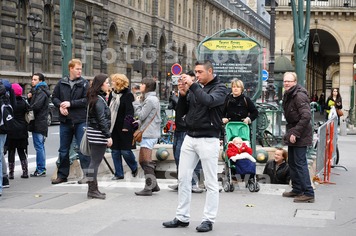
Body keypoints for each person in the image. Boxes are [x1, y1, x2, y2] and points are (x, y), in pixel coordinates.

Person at [163, 60, 228, 232]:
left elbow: (208, 101)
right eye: (196, 72)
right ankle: (182, 217)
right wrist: (183, 95)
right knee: (183, 178)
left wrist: (192, 86)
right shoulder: (195, 88)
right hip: (190, 137)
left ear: (210, 71)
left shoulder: (220, 88)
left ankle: (208, 219)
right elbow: (181, 114)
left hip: (208, 138)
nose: (197, 75)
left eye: (200, 72)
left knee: (210, 181)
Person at [52, 59, 90, 184]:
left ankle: (87, 175)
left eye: (80, 69)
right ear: (70, 69)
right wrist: (60, 106)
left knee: (82, 149)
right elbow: (54, 97)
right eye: (77, 69)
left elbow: (87, 100)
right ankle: (62, 175)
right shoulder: (61, 82)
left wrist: (70, 104)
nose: (79, 71)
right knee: (63, 150)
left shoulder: (84, 83)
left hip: (80, 120)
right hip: (65, 121)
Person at [168, 71, 203, 194]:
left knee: (186, 158)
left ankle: (193, 183)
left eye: (184, 81)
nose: (181, 83)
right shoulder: (183, 94)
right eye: (180, 81)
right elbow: (180, 110)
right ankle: (182, 181)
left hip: (186, 130)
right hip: (178, 129)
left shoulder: (194, 94)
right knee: (178, 157)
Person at [281, 72, 315, 203]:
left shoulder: (298, 95)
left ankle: (308, 192)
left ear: (295, 82)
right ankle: (297, 189)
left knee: (300, 164)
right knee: (293, 162)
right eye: (285, 81)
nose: (286, 83)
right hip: (294, 131)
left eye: (289, 81)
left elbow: (306, 116)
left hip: (300, 133)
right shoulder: (289, 94)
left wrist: (295, 133)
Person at [133, 77, 161, 196]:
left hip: (149, 133)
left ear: (147, 86)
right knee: (143, 160)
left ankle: (149, 187)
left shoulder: (150, 100)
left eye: (142, 84)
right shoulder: (151, 98)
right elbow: (148, 117)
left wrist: (136, 103)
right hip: (149, 132)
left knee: (145, 160)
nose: (140, 86)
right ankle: (153, 185)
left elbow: (141, 115)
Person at [86, 74, 112, 199]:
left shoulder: (95, 98)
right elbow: (101, 119)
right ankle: (92, 189)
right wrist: (108, 136)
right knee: (94, 163)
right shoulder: (99, 100)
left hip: (94, 132)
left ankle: (93, 189)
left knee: (93, 162)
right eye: (107, 82)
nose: (109, 85)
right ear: (101, 85)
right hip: (98, 133)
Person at [108, 74, 138, 180]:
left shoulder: (128, 95)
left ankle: (134, 167)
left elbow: (130, 112)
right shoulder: (112, 94)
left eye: (113, 81)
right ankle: (119, 173)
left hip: (125, 128)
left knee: (126, 151)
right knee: (115, 151)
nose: (112, 83)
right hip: (113, 127)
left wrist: (126, 125)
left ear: (119, 82)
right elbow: (109, 110)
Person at [27, 73, 50, 177]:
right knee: (40, 146)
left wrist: (29, 106)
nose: (32, 81)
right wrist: (30, 98)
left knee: (39, 146)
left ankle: (40, 169)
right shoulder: (38, 90)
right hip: (40, 122)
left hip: (39, 122)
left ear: (40, 81)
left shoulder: (40, 91)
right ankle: (41, 168)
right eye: (32, 79)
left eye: (35, 79)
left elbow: (36, 106)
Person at [6, 83, 29, 179]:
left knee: (11, 151)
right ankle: (25, 171)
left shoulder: (10, 103)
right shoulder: (24, 102)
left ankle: (11, 172)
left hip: (12, 129)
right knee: (21, 151)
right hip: (22, 129)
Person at [0, 79, 16, 192]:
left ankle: (3, 180)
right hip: (5, 126)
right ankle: (4, 178)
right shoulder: (6, 87)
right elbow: (13, 105)